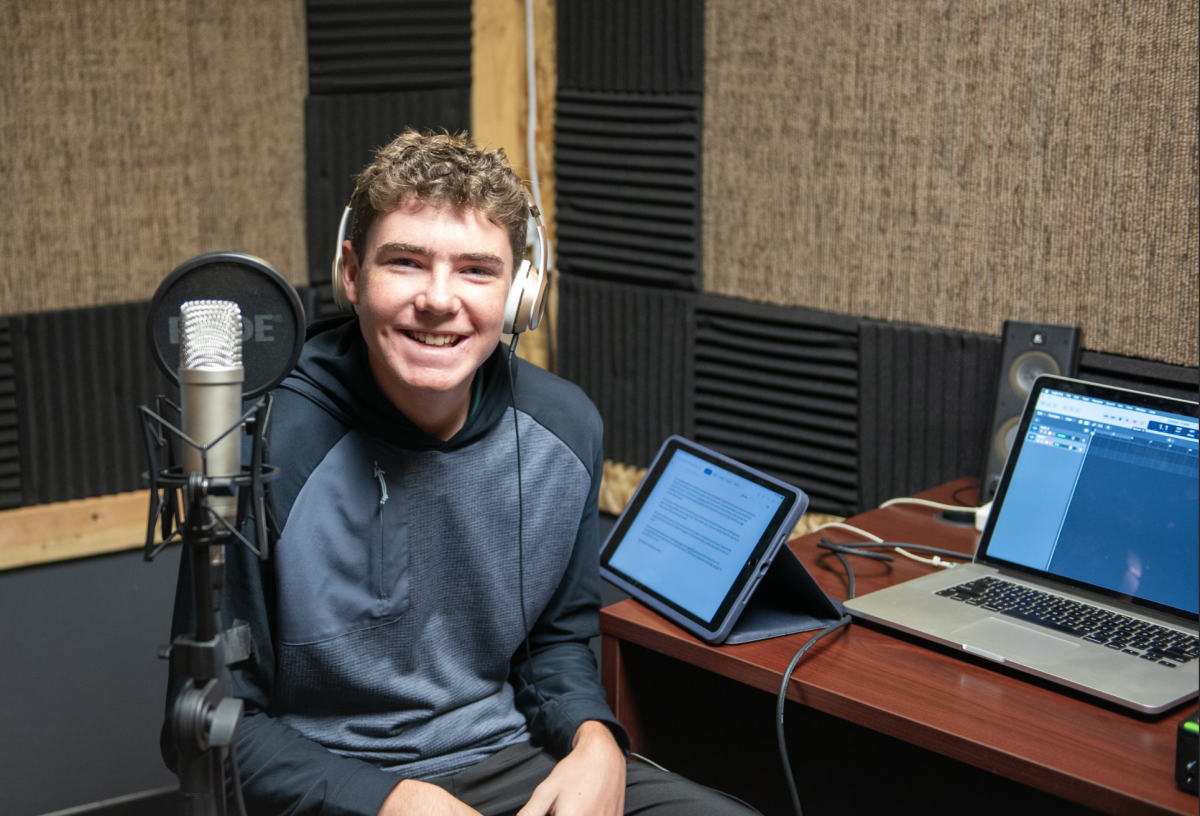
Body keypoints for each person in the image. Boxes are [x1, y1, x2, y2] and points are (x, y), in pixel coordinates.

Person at [166, 129, 758, 816]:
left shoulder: (565, 428)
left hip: (506, 761)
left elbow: (557, 643)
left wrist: (597, 741)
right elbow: (206, 728)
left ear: (519, 294)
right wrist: (387, 801)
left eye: (477, 270)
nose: (440, 299)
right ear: (351, 275)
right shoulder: (260, 442)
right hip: (329, 781)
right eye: (407, 263)